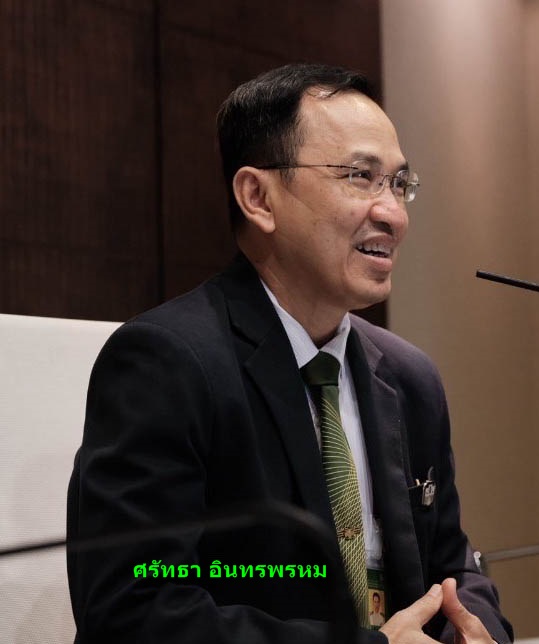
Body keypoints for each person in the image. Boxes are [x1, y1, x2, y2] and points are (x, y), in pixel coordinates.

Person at [66, 63, 512, 644]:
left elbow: (454, 567)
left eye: (399, 183)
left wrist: (476, 630)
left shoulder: (410, 377)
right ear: (258, 197)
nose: (394, 214)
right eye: (360, 176)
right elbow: (135, 609)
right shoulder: (166, 363)